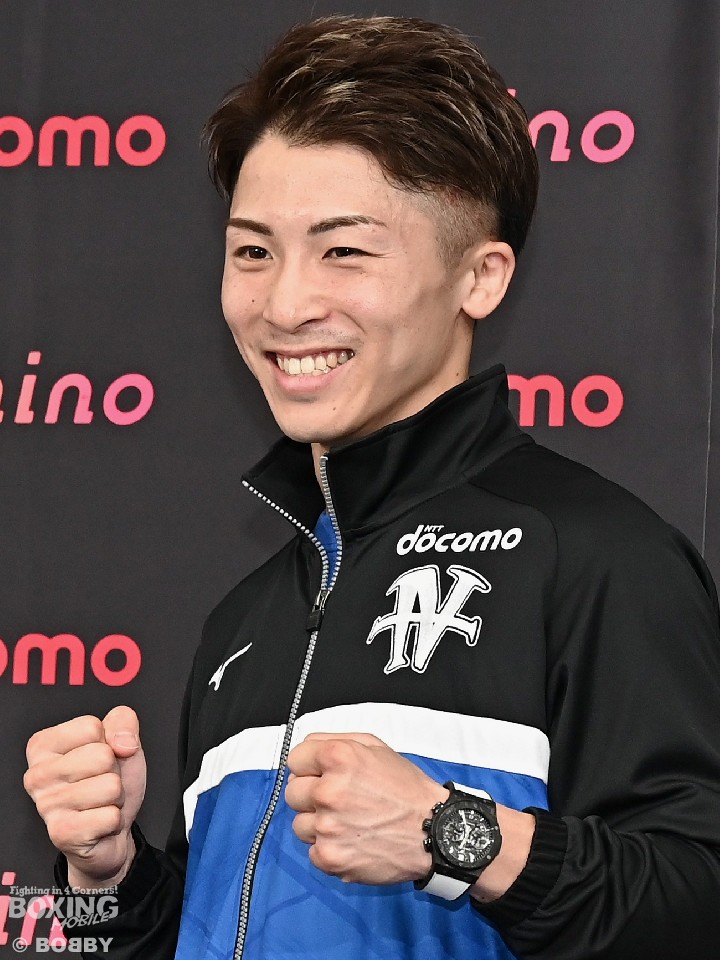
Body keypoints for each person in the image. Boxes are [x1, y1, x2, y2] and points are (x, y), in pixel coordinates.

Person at [23, 14, 720, 960]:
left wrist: (451, 838)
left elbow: (696, 898)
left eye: (343, 250)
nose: (284, 303)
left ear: (480, 277)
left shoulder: (597, 556)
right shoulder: (247, 617)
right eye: (253, 251)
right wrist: (104, 882)